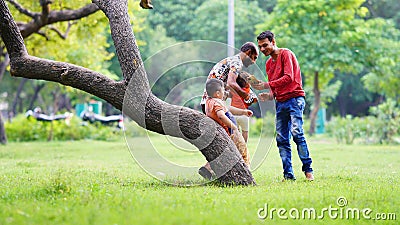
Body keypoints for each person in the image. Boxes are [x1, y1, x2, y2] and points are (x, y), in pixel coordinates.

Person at [253, 30, 314, 181]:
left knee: (297, 133)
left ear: (273, 42)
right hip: (280, 102)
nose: (262, 49)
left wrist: (266, 85)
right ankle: (288, 175)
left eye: (265, 45)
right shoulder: (268, 64)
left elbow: (289, 77)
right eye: (260, 46)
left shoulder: (286, 54)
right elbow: (275, 88)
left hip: (294, 99)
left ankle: (308, 171)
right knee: (281, 139)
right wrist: (268, 95)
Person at [198, 79, 253, 180]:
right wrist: (234, 127)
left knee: (222, 154)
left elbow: (228, 109)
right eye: (223, 90)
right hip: (231, 133)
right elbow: (221, 115)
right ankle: (247, 175)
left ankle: (207, 168)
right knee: (244, 153)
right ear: (217, 93)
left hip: (222, 134)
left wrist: (243, 112)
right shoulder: (217, 103)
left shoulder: (209, 102)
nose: (225, 92)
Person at [200, 42, 259, 114]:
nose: (254, 62)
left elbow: (234, 84)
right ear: (248, 52)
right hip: (214, 104)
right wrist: (246, 96)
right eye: (254, 57)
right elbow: (231, 83)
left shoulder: (233, 61)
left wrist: (250, 95)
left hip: (208, 103)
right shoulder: (236, 62)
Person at [229, 71, 258, 143]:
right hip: (244, 114)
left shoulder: (233, 90)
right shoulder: (247, 91)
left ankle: (237, 145)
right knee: (245, 132)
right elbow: (255, 100)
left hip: (233, 114)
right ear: (247, 83)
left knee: (236, 131)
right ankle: (244, 144)